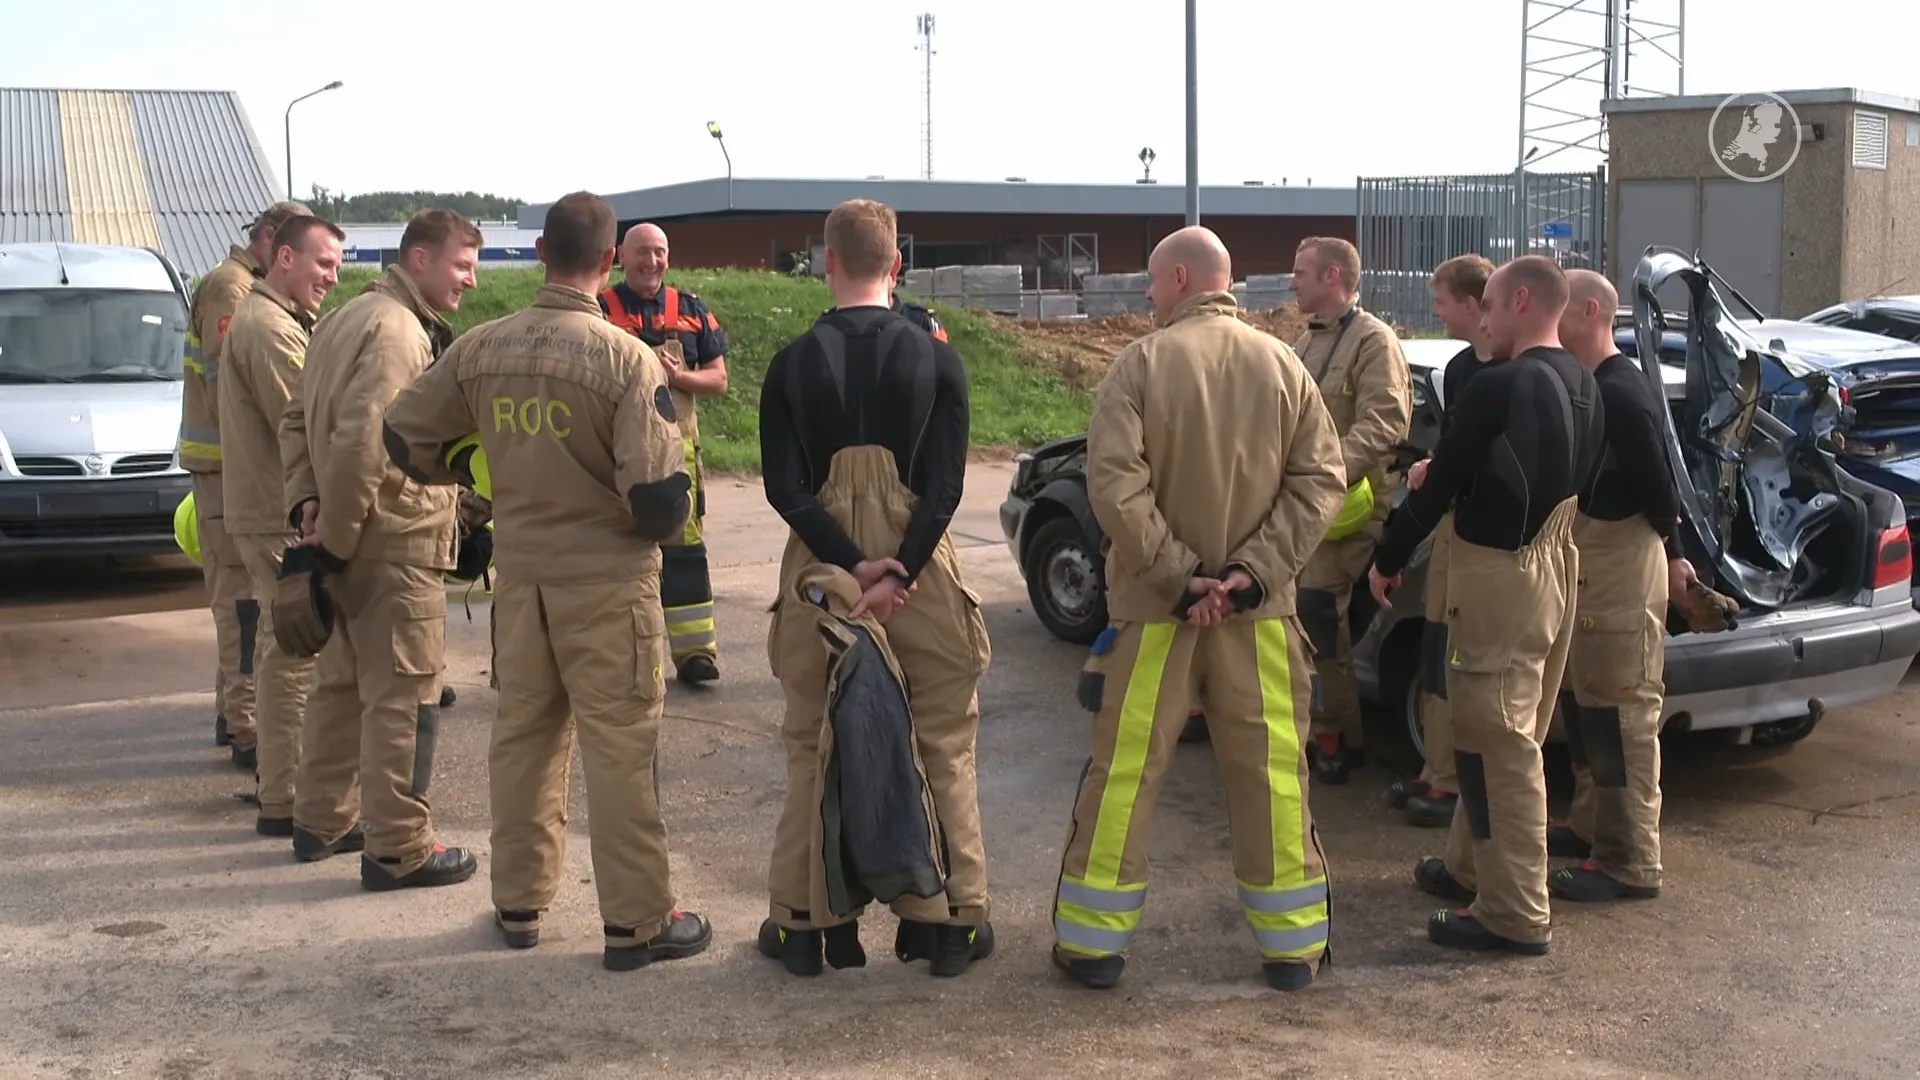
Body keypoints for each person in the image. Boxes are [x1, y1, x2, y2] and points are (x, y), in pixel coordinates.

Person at [382, 191, 710, 971]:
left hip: (521, 582)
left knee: (524, 741)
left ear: (537, 253)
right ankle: (636, 923)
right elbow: (661, 503)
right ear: (607, 263)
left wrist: (473, 472)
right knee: (621, 750)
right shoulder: (627, 359)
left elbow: (404, 436)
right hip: (607, 585)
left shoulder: (483, 347)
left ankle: (520, 902)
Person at [1051, 225, 1347, 993]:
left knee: (1125, 776)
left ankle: (1093, 947)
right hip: (1263, 618)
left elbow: (1114, 487)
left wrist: (1181, 581)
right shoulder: (1285, 365)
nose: (1147, 299)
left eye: (1152, 284)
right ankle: (1291, 950)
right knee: (1274, 776)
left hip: (1155, 618)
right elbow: (1321, 482)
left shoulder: (1139, 366)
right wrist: (1250, 577)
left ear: (1180, 279)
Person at [757, 198, 995, 979]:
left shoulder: (791, 365)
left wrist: (851, 565)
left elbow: (785, 491)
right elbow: (947, 487)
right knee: (943, 745)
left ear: (826, 262)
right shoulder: (939, 358)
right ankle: (950, 924)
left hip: (822, 575)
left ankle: (804, 926)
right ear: (897, 266)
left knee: (810, 747)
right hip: (921, 575)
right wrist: (903, 566)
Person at [1368, 255, 1605, 956]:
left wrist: (1387, 556)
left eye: (1494, 307)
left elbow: (1439, 489)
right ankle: (1469, 867)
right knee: (1504, 735)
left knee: (1497, 744)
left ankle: (1514, 911)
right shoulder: (1586, 383)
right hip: (1556, 566)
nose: (1486, 320)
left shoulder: (1501, 383)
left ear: (1522, 301)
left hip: (1501, 576)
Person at [278, 209, 484, 890]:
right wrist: (332, 539)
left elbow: (296, 419)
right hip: (391, 543)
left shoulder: (343, 317)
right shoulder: (398, 330)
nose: (471, 281)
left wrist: (309, 507)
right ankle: (399, 848)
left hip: (349, 535)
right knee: (405, 696)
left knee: (340, 686)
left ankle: (320, 820)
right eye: (462, 265)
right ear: (419, 260)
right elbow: (367, 439)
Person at [1548, 269, 1700, 903]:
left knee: (1620, 719)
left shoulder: (1623, 392)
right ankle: (1590, 829)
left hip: (1621, 575)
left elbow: (1662, 489)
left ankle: (1629, 861)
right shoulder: (1588, 385)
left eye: (1562, 305)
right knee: (1588, 711)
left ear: (1590, 312)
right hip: (1593, 571)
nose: (1550, 315)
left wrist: (1676, 557)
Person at [218, 214, 344, 836]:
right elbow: (306, 422)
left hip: (270, 508)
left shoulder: (276, 319)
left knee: (280, 645)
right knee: (295, 647)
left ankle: (279, 790)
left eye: (338, 266)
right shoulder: (269, 327)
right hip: (278, 513)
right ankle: (289, 799)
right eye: (323, 264)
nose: (332, 277)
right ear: (285, 257)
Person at [177, 199, 309, 770]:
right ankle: (247, 730)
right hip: (232, 470)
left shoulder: (239, 289)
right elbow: (234, 393)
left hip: (232, 468)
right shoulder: (233, 293)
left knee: (241, 597)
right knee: (242, 603)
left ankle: (233, 713)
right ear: (274, 243)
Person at [1290, 236, 1412, 785]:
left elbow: (1384, 425)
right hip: (1305, 507)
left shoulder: (1373, 341)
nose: (1293, 282)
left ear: (1333, 277)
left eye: (1301, 272)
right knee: (1297, 622)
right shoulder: (1305, 343)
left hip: (1349, 510)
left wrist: (1323, 475)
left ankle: (1336, 737)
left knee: (1317, 615)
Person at [1389, 254, 1497, 829]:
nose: (1434, 311)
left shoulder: (1507, 371)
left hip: (1491, 542)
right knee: (1435, 652)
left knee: (1464, 661)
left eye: (1441, 300)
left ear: (1474, 305)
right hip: (1451, 531)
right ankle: (1436, 772)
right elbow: (1457, 447)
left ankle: (1454, 782)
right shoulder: (1459, 371)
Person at [599, 224, 729, 686]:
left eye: (659, 253)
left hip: (678, 453)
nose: (650, 261)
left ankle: (696, 654)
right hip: (616, 452)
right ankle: (618, 656)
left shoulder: (691, 310)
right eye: (641, 253)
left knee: (685, 551)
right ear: (620, 257)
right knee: (617, 551)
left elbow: (719, 379)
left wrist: (680, 379)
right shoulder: (600, 309)